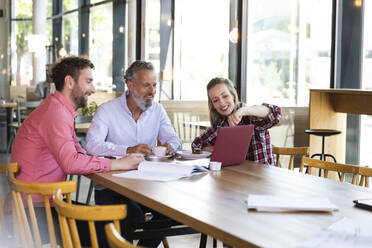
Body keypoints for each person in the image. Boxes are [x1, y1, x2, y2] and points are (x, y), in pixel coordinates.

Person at [8, 56, 144, 245]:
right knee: (117, 227)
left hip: (36, 206)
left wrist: (113, 158)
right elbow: (71, 162)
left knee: (129, 214)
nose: (93, 89)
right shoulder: (55, 113)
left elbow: (78, 152)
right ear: (69, 82)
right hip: (35, 213)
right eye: (88, 81)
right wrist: (116, 163)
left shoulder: (58, 109)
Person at [85, 60, 182, 247]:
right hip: (112, 187)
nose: (152, 91)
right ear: (130, 85)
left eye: (154, 85)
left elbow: (174, 140)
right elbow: (91, 145)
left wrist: (170, 146)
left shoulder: (157, 110)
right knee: (132, 215)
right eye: (146, 85)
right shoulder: (107, 110)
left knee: (171, 211)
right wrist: (127, 150)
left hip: (146, 185)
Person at [192, 77, 281, 166]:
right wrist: (214, 149)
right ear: (213, 105)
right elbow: (196, 145)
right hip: (238, 176)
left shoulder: (251, 117)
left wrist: (243, 111)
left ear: (233, 95)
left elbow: (276, 113)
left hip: (261, 176)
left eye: (225, 96)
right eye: (215, 100)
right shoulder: (220, 125)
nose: (222, 103)